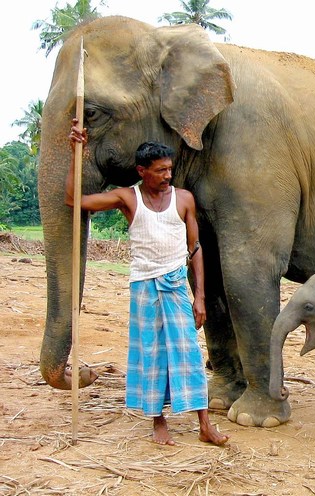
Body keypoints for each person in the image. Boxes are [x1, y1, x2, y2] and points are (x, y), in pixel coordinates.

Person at [67, 119, 229, 447]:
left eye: (169, 169)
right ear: (142, 171)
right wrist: (76, 152)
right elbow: (74, 201)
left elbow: (194, 249)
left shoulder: (184, 199)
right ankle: (159, 422)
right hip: (144, 287)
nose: (167, 175)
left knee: (189, 354)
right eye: (160, 170)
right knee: (151, 354)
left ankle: (204, 424)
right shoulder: (127, 199)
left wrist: (198, 296)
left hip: (175, 288)